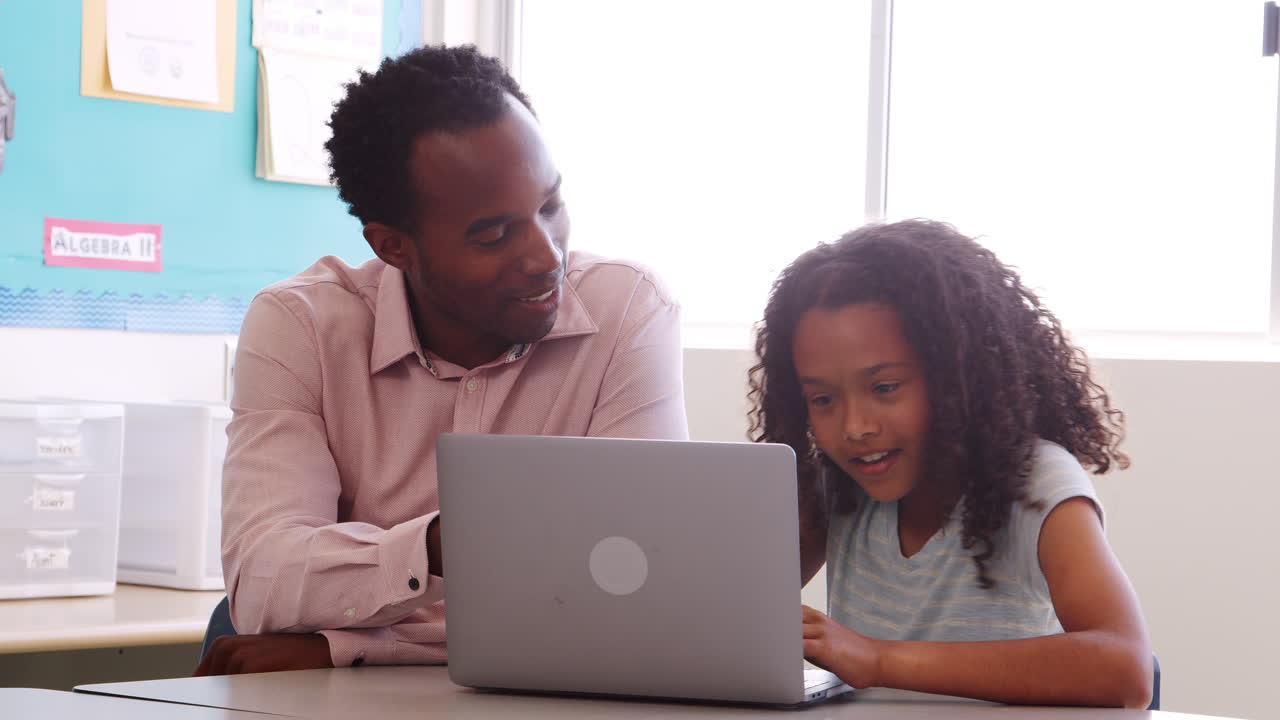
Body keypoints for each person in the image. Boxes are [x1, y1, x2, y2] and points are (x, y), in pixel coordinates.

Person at [196, 45, 688, 676]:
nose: (545, 257)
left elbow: (633, 599)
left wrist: (347, 644)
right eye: (493, 235)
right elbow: (265, 581)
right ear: (393, 246)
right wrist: (442, 544)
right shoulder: (302, 327)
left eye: (550, 207)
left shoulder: (628, 310)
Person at [748, 219, 1152, 707]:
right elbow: (729, 600)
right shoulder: (838, 485)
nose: (854, 426)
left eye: (884, 387)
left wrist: (878, 659)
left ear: (959, 376)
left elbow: (1124, 667)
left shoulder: (1036, 484)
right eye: (823, 399)